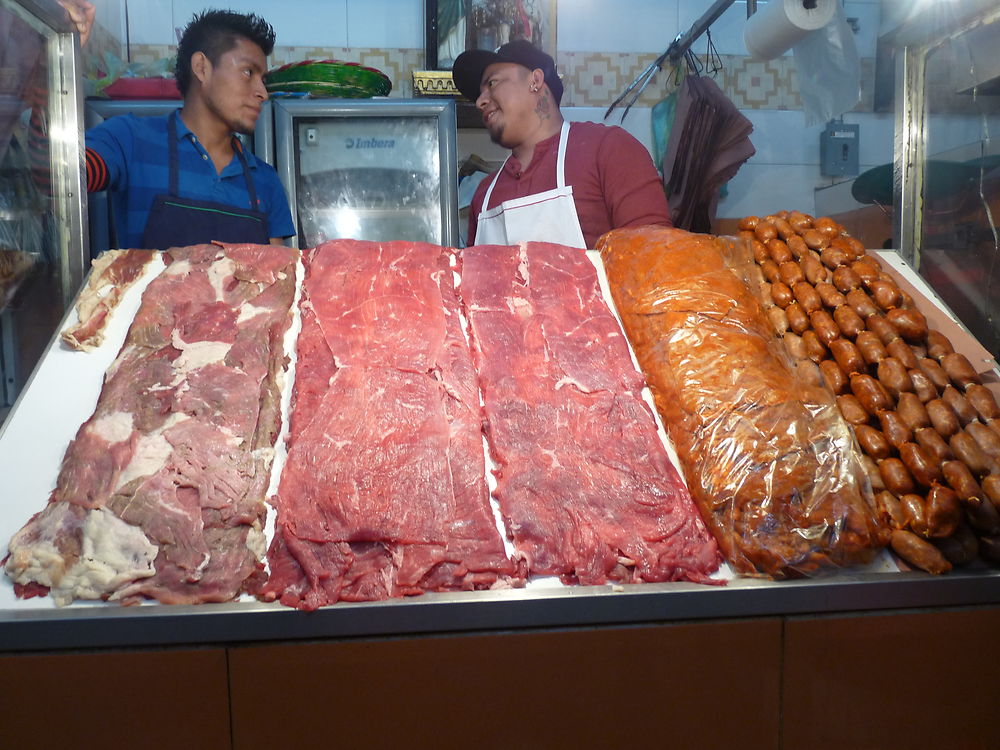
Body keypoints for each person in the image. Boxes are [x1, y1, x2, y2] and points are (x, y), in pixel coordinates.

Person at [57, 2, 294, 250]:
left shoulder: (266, 181)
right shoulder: (131, 140)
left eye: (263, 80)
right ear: (202, 68)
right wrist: (56, 58)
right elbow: (59, 179)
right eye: (248, 72)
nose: (263, 93)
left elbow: (277, 279)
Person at [452, 39, 671, 249]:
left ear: (535, 81)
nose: (480, 101)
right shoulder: (483, 195)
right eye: (479, 94)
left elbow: (654, 263)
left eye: (492, 83)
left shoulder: (610, 149)